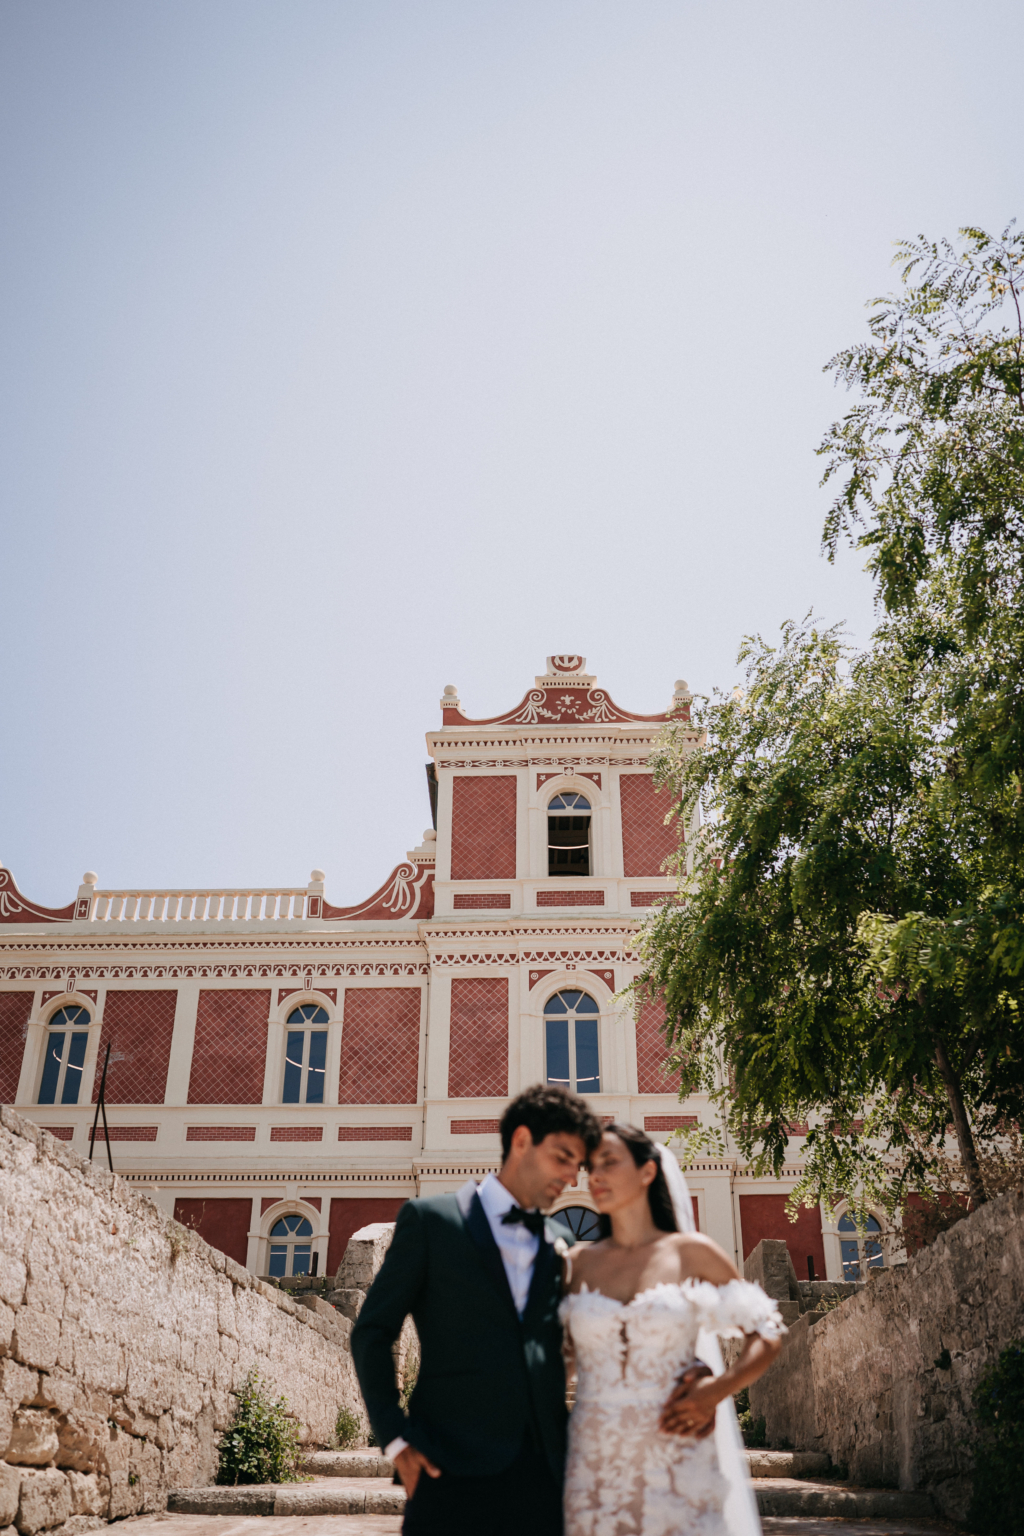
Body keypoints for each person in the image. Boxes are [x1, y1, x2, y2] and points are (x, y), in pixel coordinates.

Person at [351, 1083, 602, 1536]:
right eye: (563, 1158)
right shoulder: (430, 1222)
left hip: (544, 1481)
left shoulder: (559, 1243)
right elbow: (372, 1331)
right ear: (522, 1141)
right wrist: (394, 1438)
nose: (572, 1178)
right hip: (448, 1471)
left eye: (578, 1165)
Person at [561, 1123, 785, 1536]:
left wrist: (716, 1391)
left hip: (678, 1450)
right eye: (590, 1167)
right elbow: (559, 1362)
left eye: (608, 1162)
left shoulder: (691, 1252)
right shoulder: (577, 1264)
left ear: (647, 1172)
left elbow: (767, 1330)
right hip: (592, 1455)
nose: (594, 1176)